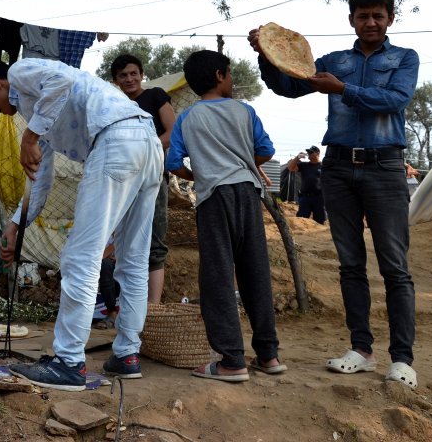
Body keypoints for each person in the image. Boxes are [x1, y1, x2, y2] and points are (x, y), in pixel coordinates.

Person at [248, 0, 419, 389]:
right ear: (351, 21)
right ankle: (361, 351)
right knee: (350, 264)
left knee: (395, 267)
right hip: (338, 167)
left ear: (390, 19)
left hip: (386, 167)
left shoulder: (403, 58)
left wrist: (343, 90)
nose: (371, 23)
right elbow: (288, 86)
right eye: (363, 16)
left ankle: (402, 360)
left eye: (378, 16)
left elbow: (395, 99)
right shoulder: (334, 61)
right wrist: (265, 54)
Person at [0, 57, 163, 391]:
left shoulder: (18, 73)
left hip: (116, 139)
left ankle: (69, 363)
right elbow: (40, 179)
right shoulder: (39, 110)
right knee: (132, 260)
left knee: (80, 259)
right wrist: (16, 225)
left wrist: (28, 138)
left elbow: (61, 81)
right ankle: (127, 354)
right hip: (146, 143)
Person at [166, 50, 285, 382]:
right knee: (255, 271)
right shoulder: (245, 112)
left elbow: (173, 163)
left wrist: (200, 175)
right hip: (248, 192)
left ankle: (232, 360)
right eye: (230, 73)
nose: (232, 79)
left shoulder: (187, 118)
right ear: (220, 75)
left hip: (214, 198)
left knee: (218, 276)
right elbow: (267, 150)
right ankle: (268, 354)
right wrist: (246, 162)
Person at [110, 54, 176, 304]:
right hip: (122, 180)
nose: (129, 79)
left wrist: (142, 150)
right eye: (123, 75)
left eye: (133, 73)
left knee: (155, 243)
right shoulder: (114, 105)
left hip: (152, 179)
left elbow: (172, 133)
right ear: (115, 80)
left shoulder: (155, 96)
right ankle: (126, 306)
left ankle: (153, 309)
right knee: (124, 243)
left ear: (141, 74)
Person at [288, 145, 326, 224]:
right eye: (308, 152)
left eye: (311, 152)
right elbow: (290, 168)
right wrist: (297, 157)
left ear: (317, 154)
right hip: (305, 197)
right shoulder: (304, 165)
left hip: (319, 198)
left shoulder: (324, 166)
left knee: (320, 221)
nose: (308, 154)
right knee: (301, 221)